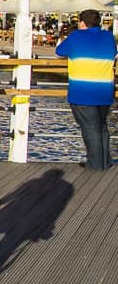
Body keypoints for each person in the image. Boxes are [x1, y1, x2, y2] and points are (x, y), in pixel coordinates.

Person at [55, 9, 117, 171]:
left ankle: (95, 165)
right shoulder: (108, 37)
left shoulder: (76, 36)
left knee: (90, 128)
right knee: (101, 126)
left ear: (82, 22)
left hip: (82, 91)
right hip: (105, 90)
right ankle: (105, 161)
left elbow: (59, 51)